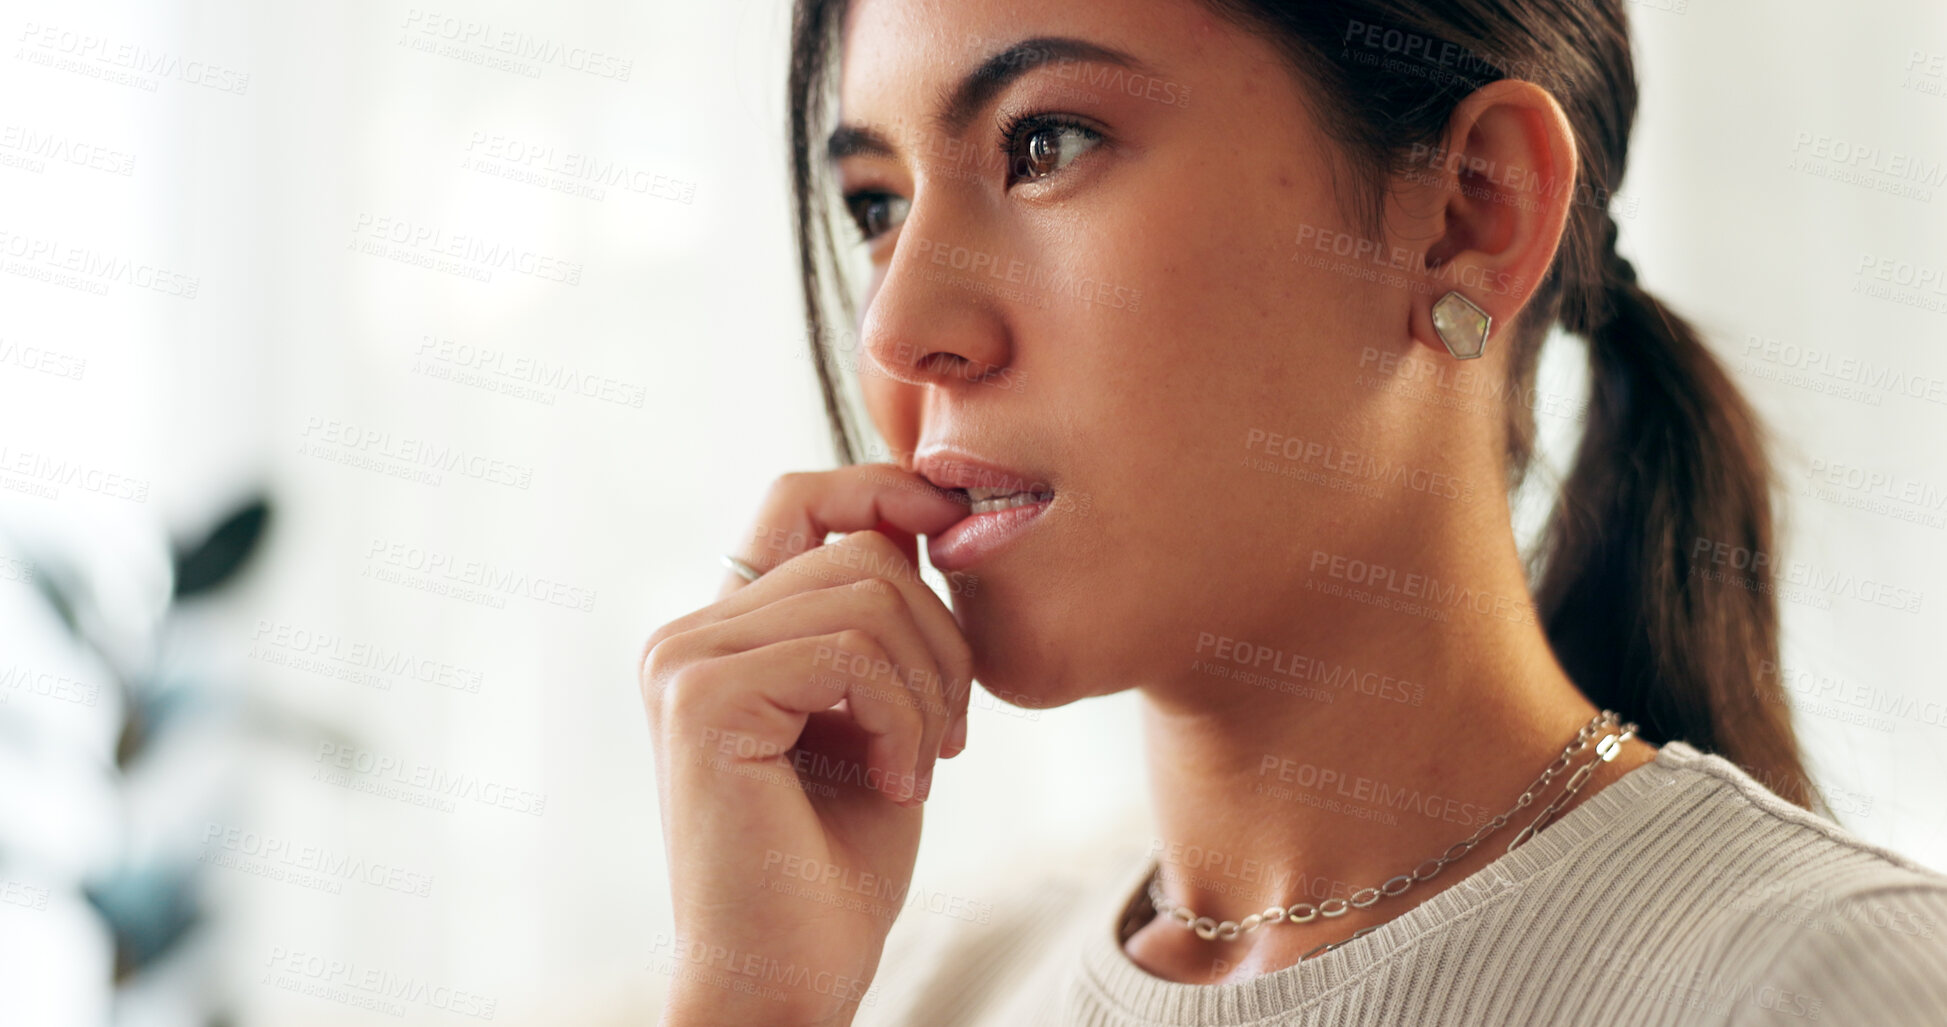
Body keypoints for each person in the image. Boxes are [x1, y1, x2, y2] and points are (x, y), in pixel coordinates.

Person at [640, 1, 1947, 1023]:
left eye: (1044, 144)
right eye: (879, 205)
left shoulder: (1845, 991)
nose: (904, 328)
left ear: (1466, 213)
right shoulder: (919, 993)